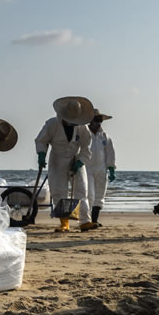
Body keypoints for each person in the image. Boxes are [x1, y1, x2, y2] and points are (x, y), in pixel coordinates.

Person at [35, 96, 95, 233]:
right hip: (57, 159)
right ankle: (64, 223)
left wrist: (79, 162)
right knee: (59, 191)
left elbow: (86, 148)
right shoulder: (51, 124)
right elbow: (41, 140)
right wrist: (41, 154)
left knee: (82, 189)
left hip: (75, 158)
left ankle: (85, 221)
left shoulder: (82, 127)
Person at [86, 109, 116, 227]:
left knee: (99, 194)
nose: (97, 122)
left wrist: (111, 168)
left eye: (99, 120)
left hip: (101, 169)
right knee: (90, 194)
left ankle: (94, 220)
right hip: (86, 168)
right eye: (95, 119)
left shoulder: (105, 137)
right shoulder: (84, 133)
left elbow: (110, 153)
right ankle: (86, 220)